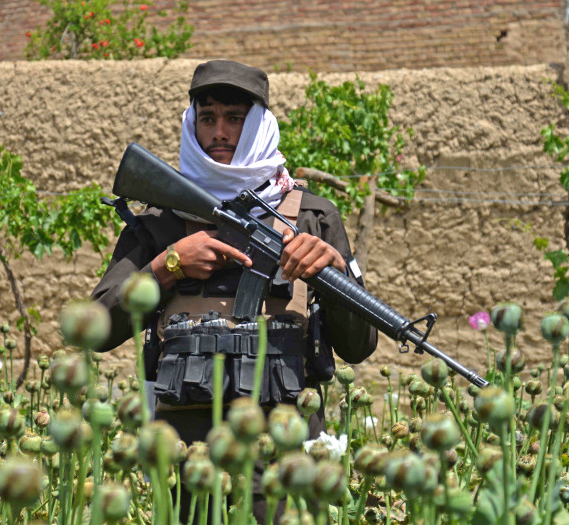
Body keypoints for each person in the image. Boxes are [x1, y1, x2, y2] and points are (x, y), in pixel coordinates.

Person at [91, 59, 378, 521]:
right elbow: (99, 326)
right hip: (185, 459)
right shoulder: (160, 221)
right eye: (207, 118)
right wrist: (169, 265)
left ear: (259, 124)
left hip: (284, 452)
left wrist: (335, 270)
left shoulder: (312, 216)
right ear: (192, 124)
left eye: (234, 118)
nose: (219, 132)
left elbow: (359, 347)